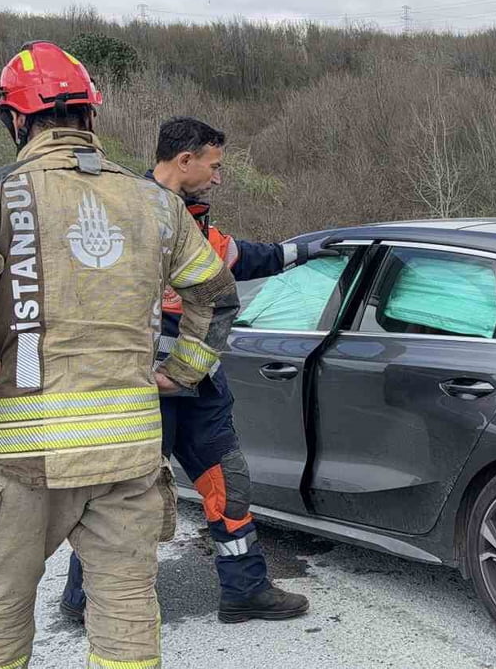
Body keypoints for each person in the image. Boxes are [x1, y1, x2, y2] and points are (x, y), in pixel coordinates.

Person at [0, 41, 233, 668]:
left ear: (15, 118)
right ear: (92, 115)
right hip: (128, 456)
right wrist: (181, 371)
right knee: (127, 611)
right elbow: (216, 299)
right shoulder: (157, 203)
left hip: (19, 459)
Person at [60, 117, 316, 624]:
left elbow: (238, 258)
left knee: (229, 485)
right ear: (185, 160)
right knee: (122, 499)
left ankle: (245, 590)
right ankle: (86, 597)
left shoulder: (193, 221)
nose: (219, 178)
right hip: (142, 388)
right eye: (214, 166)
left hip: (198, 387)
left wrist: (313, 249)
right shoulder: (123, 211)